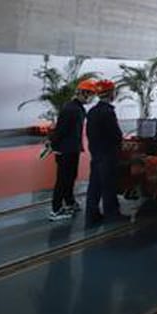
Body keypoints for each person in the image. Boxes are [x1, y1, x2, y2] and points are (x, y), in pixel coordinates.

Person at [48, 79, 92, 220]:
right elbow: (61, 130)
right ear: (83, 93)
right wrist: (54, 145)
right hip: (65, 150)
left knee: (70, 177)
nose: (91, 98)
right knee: (63, 179)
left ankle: (69, 202)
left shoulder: (78, 108)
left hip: (72, 149)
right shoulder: (71, 109)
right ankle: (56, 209)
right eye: (90, 94)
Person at [85, 79, 124, 227]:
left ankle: (92, 214)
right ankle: (112, 214)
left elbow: (89, 133)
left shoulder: (92, 111)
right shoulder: (108, 112)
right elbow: (115, 135)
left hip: (96, 153)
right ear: (111, 94)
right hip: (108, 154)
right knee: (109, 185)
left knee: (94, 185)